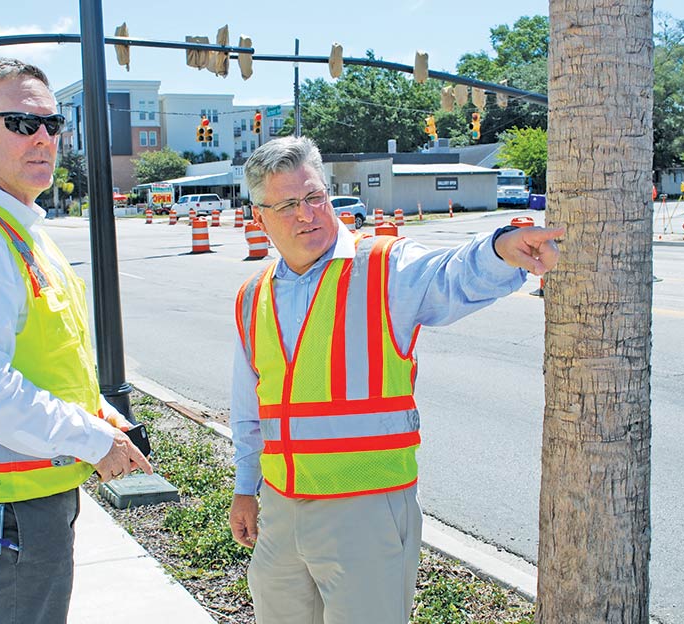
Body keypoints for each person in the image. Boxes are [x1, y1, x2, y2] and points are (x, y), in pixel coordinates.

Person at [227, 136, 563, 624]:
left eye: (315, 197)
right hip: (281, 510)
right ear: (259, 217)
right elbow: (249, 408)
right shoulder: (251, 296)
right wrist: (245, 487)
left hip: (368, 511)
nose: (308, 214)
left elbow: (451, 275)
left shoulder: (383, 267)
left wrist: (500, 250)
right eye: (288, 204)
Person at [0, 59, 152, 624]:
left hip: (27, 487)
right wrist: (92, 437)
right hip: (5, 499)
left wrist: (98, 416)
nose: (43, 136)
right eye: (21, 123)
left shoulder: (19, 230)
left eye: (52, 123)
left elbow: (47, 360)